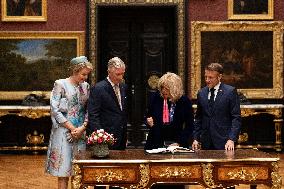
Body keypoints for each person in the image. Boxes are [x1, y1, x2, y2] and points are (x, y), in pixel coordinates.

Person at [45, 56, 93, 189]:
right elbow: (55, 110)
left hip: (80, 133)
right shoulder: (60, 84)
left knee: (79, 172)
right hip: (64, 132)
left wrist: (83, 127)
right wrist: (72, 128)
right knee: (64, 170)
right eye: (83, 74)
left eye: (87, 74)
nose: (85, 77)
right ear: (74, 71)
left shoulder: (86, 86)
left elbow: (89, 109)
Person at [192, 63, 241, 151]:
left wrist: (231, 139)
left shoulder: (230, 92)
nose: (207, 80)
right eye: (206, 77)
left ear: (219, 77)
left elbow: (236, 118)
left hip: (225, 142)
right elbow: (198, 118)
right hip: (206, 142)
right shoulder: (201, 93)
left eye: (210, 77)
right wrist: (196, 138)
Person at [145, 72, 194, 150]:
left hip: (177, 142)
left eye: (167, 88)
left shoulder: (184, 101)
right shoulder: (156, 98)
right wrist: (149, 122)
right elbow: (148, 116)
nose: (164, 91)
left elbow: (190, 126)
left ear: (175, 88)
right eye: (162, 87)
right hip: (155, 142)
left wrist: (179, 142)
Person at [88, 57, 127, 150]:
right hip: (105, 138)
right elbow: (93, 115)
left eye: (122, 74)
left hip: (121, 136)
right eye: (118, 74)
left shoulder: (123, 86)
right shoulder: (99, 88)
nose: (121, 77)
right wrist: (100, 136)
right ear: (109, 72)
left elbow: (121, 112)